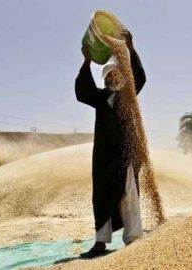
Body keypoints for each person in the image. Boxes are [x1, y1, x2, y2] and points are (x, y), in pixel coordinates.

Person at [75, 29, 146, 258]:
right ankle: (100, 243)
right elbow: (81, 91)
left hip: (126, 153)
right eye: (109, 77)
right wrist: (86, 62)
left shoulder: (128, 96)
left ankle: (133, 238)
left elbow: (139, 77)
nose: (113, 79)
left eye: (117, 76)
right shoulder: (99, 98)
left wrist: (130, 47)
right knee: (102, 197)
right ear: (105, 80)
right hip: (105, 156)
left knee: (129, 194)